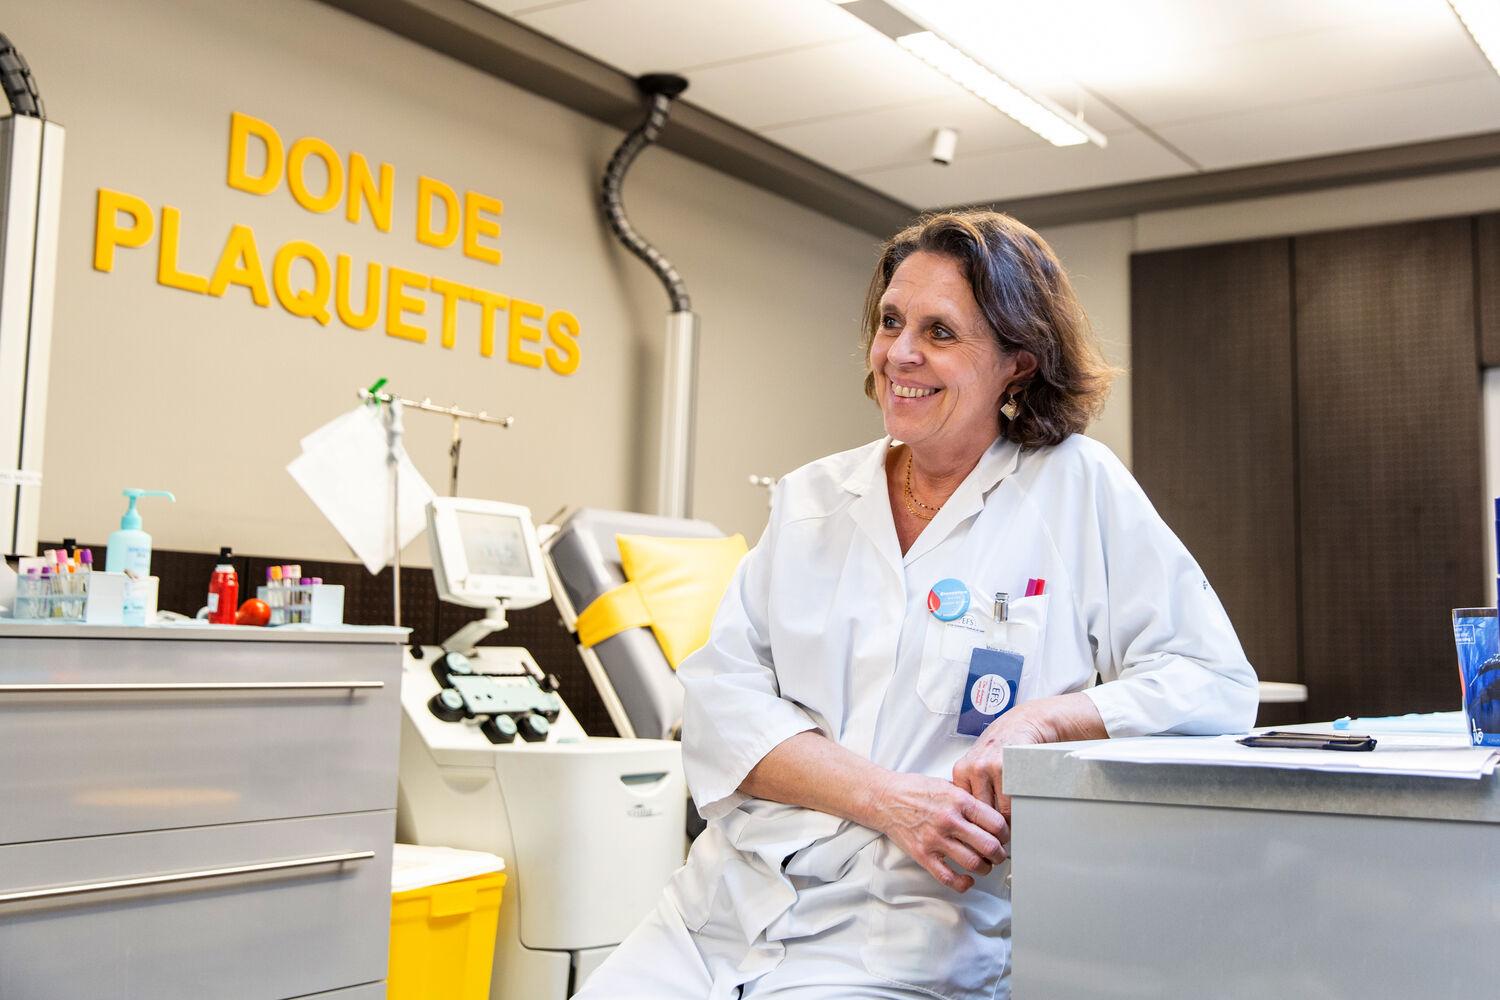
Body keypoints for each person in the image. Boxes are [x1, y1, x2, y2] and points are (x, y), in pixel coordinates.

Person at [576, 211, 1258, 1000]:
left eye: (940, 332)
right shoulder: (812, 500)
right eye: (891, 321)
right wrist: (886, 799)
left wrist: (1043, 722)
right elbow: (720, 705)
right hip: (718, 912)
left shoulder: (1075, 487)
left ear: (1017, 362)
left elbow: (1211, 679)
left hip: (906, 935)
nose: (900, 353)